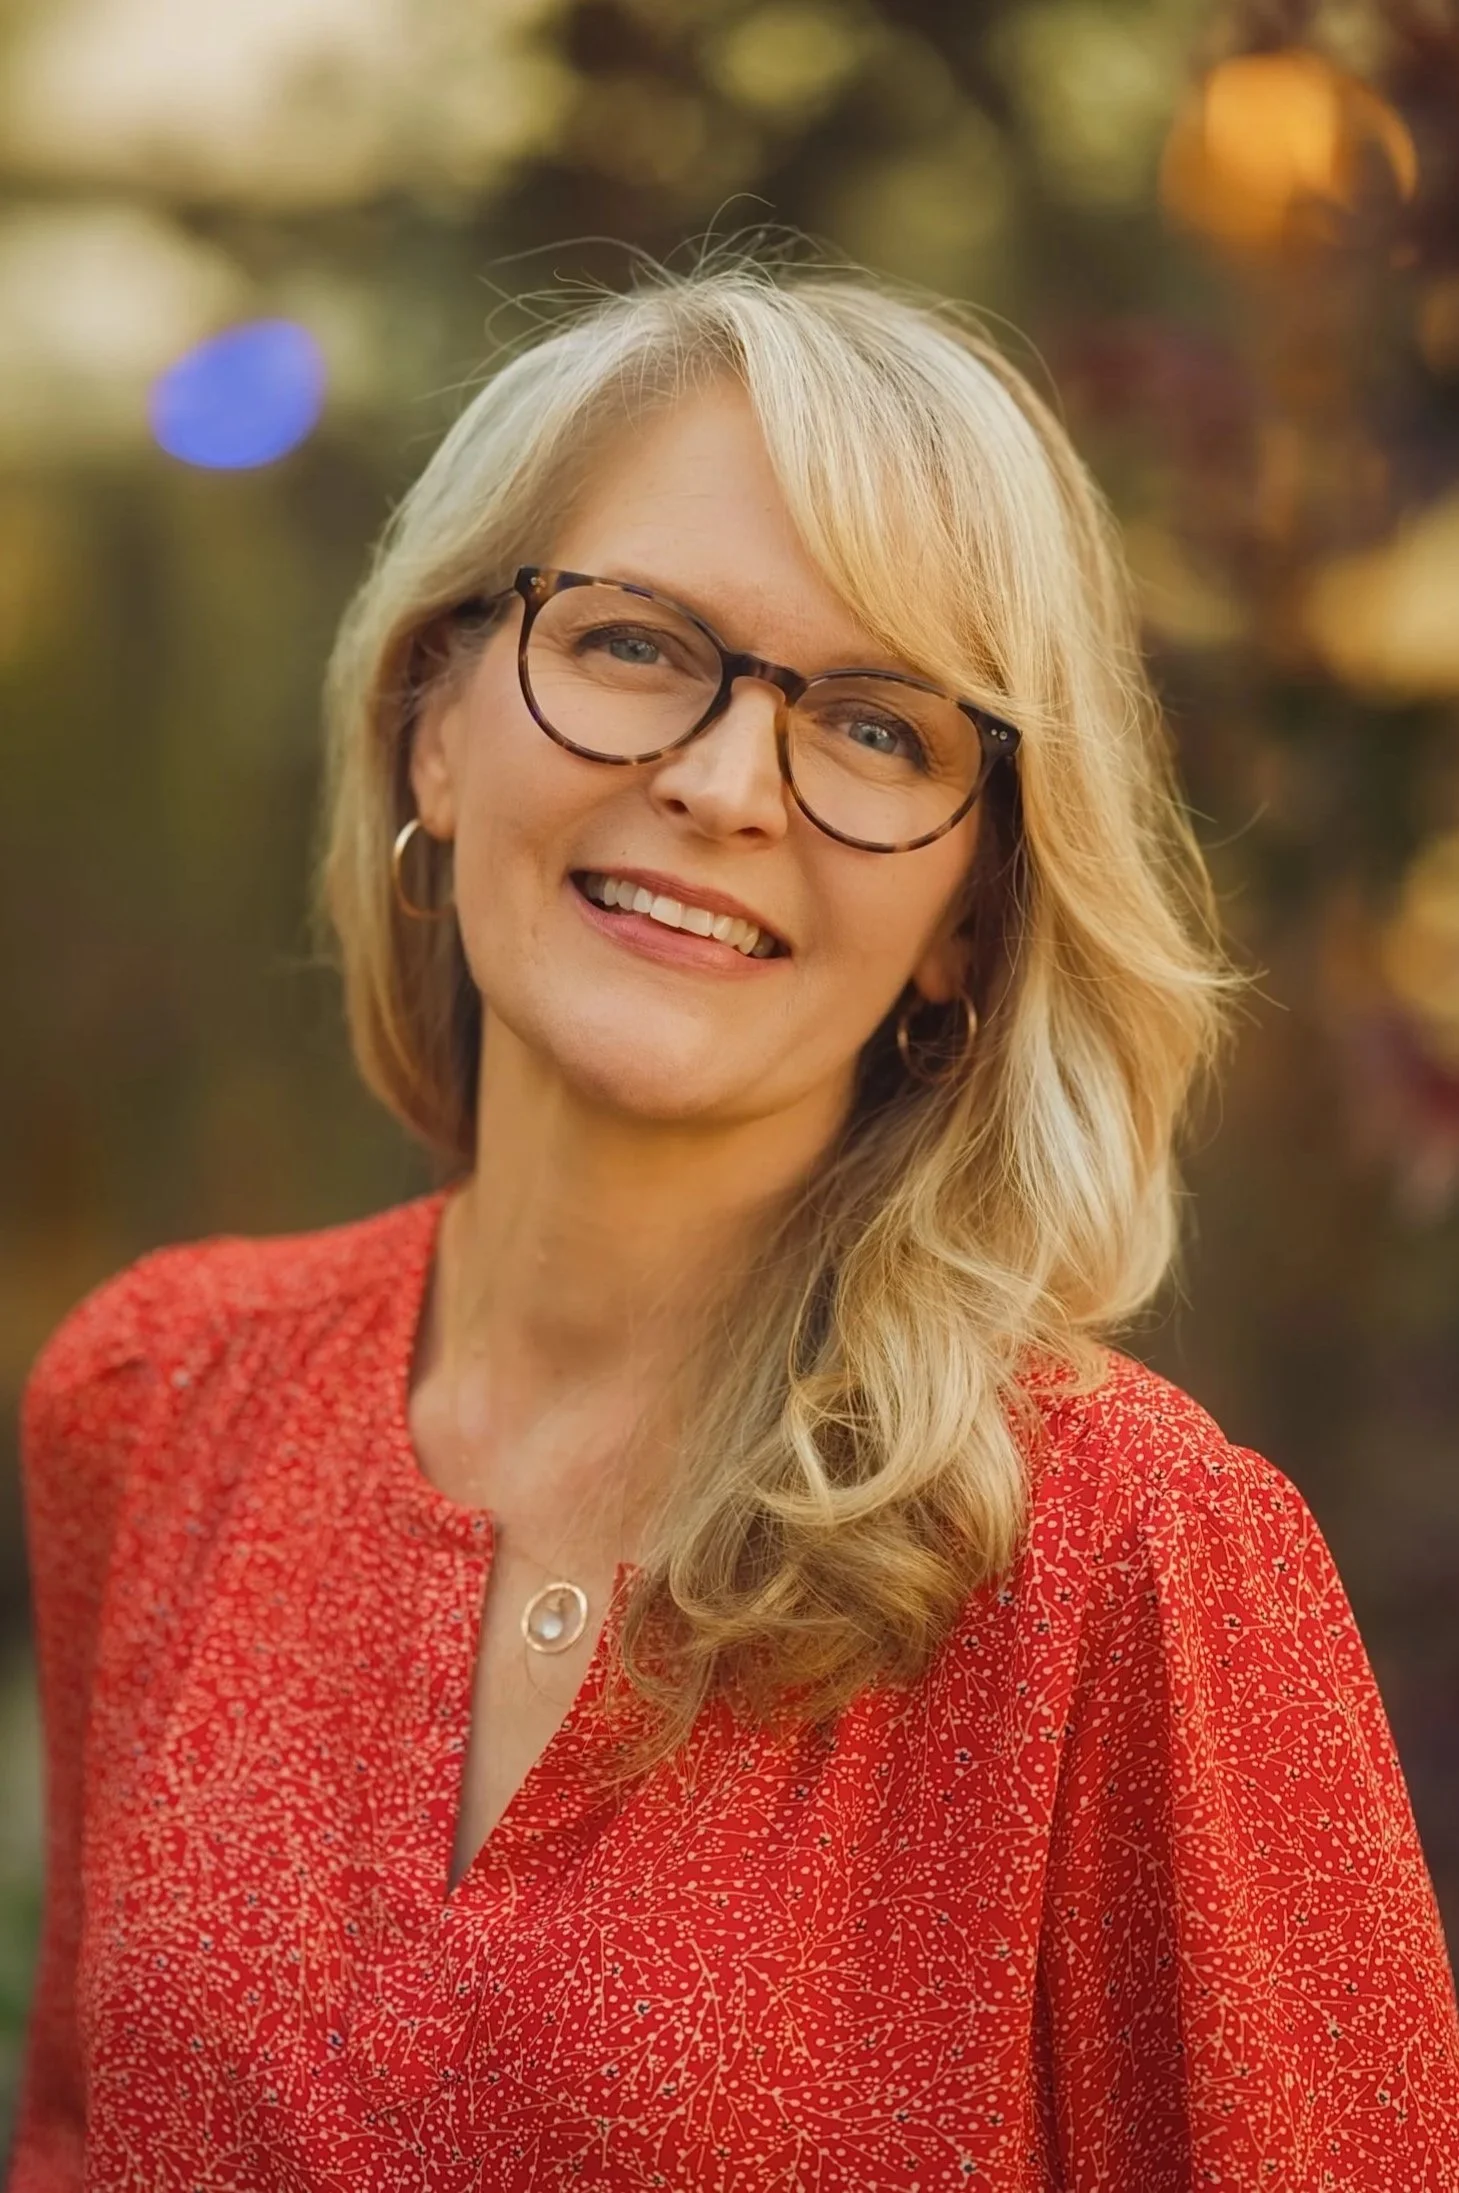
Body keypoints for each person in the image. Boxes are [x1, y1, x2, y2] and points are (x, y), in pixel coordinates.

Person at [12, 253, 1459, 2193]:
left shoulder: (1137, 1566)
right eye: (633, 643)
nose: (717, 782)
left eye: (877, 729)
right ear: (436, 715)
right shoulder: (156, 1390)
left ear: (970, 909)